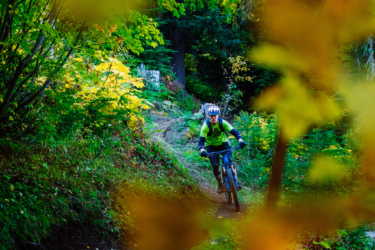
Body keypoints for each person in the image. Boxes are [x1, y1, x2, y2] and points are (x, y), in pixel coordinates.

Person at [198, 105, 246, 193]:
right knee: (215, 166)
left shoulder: (222, 123)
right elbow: (201, 141)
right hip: (211, 146)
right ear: (209, 116)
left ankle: (235, 181)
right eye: (211, 116)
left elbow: (234, 132)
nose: (213, 118)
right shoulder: (206, 126)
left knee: (230, 160)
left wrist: (241, 141)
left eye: (215, 115)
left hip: (223, 143)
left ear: (218, 115)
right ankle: (220, 184)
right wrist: (202, 150)